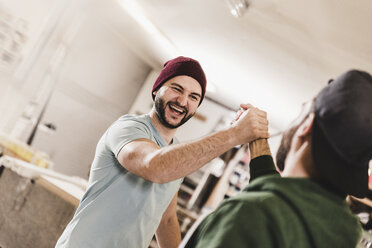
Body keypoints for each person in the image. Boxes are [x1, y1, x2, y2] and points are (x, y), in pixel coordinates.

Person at [55, 56, 269, 248]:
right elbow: (154, 166)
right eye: (177, 89)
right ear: (157, 89)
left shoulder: (174, 154)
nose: (183, 101)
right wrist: (233, 135)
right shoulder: (128, 128)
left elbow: (166, 219)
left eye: (194, 97)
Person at [184, 69, 372, 248]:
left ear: (307, 125)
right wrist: (258, 141)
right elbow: (288, 204)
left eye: (302, 111)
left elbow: (273, 208)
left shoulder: (249, 216)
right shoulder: (345, 233)